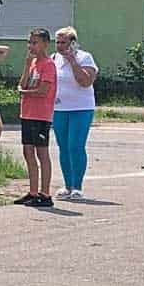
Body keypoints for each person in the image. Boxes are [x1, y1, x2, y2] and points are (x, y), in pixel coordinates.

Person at [52, 27, 99, 200]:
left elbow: (85, 82)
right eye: (57, 42)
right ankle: (67, 185)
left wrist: (73, 61)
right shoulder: (54, 58)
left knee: (75, 146)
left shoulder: (84, 57)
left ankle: (77, 186)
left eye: (63, 42)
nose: (59, 46)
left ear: (73, 43)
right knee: (63, 147)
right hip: (59, 109)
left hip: (81, 108)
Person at [15, 29, 57, 208]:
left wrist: (24, 92)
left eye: (35, 43)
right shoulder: (32, 63)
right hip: (27, 113)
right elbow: (23, 83)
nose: (31, 46)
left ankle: (45, 193)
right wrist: (26, 66)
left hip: (41, 114)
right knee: (27, 151)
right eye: (30, 42)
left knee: (41, 153)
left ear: (45, 44)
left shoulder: (48, 64)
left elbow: (43, 91)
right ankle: (32, 191)